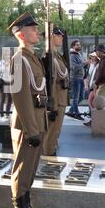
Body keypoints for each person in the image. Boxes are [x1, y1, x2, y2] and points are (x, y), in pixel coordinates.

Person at [9, 12, 49, 208]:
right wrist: (32, 128)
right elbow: (20, 96)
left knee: (31, 168)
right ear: (22, 34)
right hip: (27, 124)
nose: (37, 32)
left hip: (38, 120)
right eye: (33, 29)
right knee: (22, 169)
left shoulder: (32, 58)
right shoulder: (18, 59)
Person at [43, 27, 69, 156]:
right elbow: (50, 82)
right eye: (59, 35)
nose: (62, 38)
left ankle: (50, 153)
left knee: (55, 132)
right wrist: (52, 105)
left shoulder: (57, 55)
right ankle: (48, 159)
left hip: (61, 98)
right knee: (51, 133)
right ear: (51, 37)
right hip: (56, 100)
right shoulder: (49, 56)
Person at [66, 40, 86, 120]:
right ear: (73, 46)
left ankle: (71, 111)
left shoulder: (78, 54)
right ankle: (76, 113)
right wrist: (85, 63)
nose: (79, 46)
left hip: (80, 78)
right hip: (75, 79)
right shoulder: (72, 56)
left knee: (81, 97)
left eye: (79, 44)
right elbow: (74, 68)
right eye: (77, 45)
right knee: (76, 97)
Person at [83, 52, 99, 127]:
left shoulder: (98, 65)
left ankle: (94, 119)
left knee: (92, 101)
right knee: (90, 101)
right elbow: (89, 75)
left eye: (93, 56)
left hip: (95, 86)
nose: (91, 58)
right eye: (91, 56)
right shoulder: (91, 65)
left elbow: (96, 76)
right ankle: (94, 118)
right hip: (92, 86)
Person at [0, 53, 12, 122]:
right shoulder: (1, 63)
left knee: (9, 99)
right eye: (7, 55)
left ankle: (7, 114)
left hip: (10, 82)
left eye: (9, 56)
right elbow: (0, 72)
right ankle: (1, 115)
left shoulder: (11, 62)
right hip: (4, 82)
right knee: (3, 99)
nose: (8, 57)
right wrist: (6, 66)